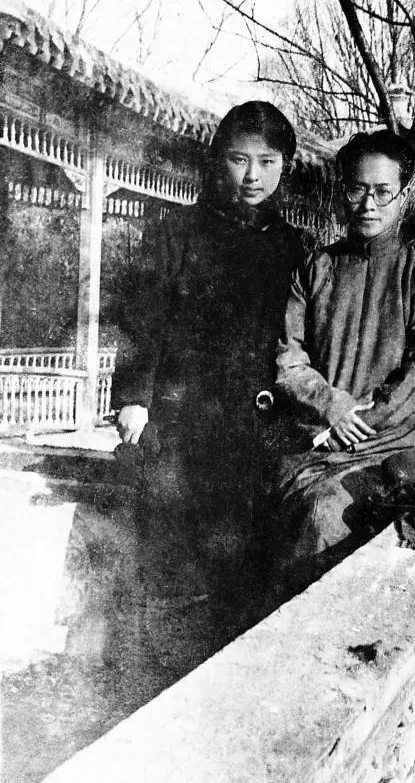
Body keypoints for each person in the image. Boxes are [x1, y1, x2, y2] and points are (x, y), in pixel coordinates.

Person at [110, 101, 304, 642]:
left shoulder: (290, 245)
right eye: (239, 160)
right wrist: (135, 397)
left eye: (267, 162)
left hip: (256, 422)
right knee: (171, 556)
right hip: (180, 419)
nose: (252, 176)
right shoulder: (178, 232)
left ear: (285, 166)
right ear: (219, 161)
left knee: (243, 561)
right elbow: (143, 319)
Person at [272, 128, 415, 587]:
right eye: (356, 189)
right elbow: (289, 359)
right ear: (341, 192)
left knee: (325, 517)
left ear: (403, 197)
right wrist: (332, 406)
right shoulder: (315, 268)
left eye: (383, 191)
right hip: (317, 440)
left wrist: (358, 421)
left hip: (388, 449)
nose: (368, 203)